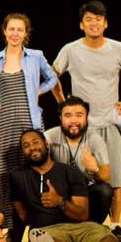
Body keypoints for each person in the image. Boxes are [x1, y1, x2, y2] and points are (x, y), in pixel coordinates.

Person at [51, 1, 121, 242]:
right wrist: (63, 103)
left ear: (106, 23)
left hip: (110, 122)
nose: (94, 23)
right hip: (81, 127)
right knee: (79, 176)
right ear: (81, 25)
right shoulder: (71, 50)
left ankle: (115, 226)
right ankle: (76, 225)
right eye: (89, 19)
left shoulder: (118, 48)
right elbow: (52, 74)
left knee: (115, 179)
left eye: (98, 19)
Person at [9, 129, 121, 242]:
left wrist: (60, 202)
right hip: (47, 230)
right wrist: (15, 239)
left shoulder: (70, 172)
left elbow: (82, 214)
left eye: (35, 142)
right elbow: (21, 214)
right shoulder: (17, 176)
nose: (32, 147)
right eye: (26, 145)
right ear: (23, 151)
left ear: (46, 144)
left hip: (81, 227)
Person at [0, 13, 58, 242]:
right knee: (7, 173)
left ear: (26, 33)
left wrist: (37, 91)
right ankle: (9, 228)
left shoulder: (36, 56)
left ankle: (39, 225)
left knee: (34, 171)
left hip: (30, 121)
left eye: (20, 29)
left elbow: (53, 78)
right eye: (11, 29)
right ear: (4, 31)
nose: (15, 33)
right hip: (6, 122)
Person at [45, 97, 113, 226]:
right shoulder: (49, 136)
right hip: (58, 192)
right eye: (68, 115)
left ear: (86, 118)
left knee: (105, 190)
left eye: (79, 115)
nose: (74, 120)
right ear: (60, 118)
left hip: (85, 193)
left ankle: (92, 227)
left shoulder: (95, 139)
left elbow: (107, 176)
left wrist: (95, 169)